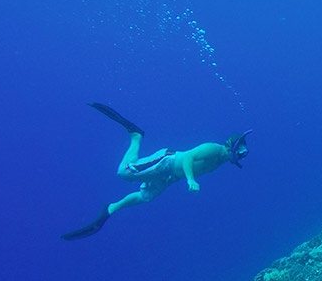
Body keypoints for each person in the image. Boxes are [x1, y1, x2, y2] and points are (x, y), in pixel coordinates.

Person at [61, 103, 250, 240]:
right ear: (230, 147)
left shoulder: (221, 161)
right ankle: (136, 136)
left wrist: (182, 178)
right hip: (166, 162)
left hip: (170, 177)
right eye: (240, 152)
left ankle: (110, 210)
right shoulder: (214, 149)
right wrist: (190, 180)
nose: (241, 156)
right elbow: (188, 158)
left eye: (243, 154)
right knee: (123, 173)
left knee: (146, 197)